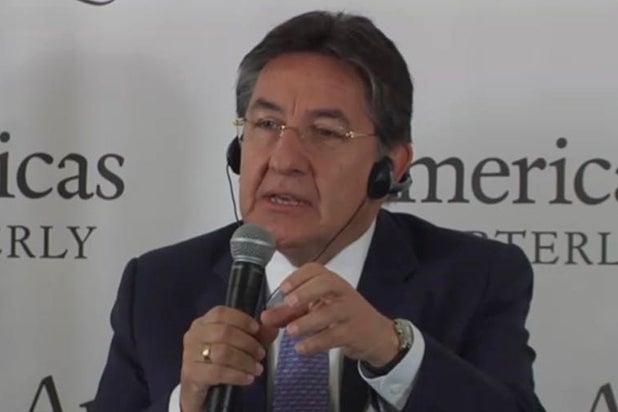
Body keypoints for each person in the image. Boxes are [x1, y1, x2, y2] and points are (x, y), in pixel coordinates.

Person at [94, 10, 545, 412]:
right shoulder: (159, 286)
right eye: (266, 124)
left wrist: (393, 352)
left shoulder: (475, 278)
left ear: (390, 167)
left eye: (326, 132)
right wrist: (186, 403)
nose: (283, 160)